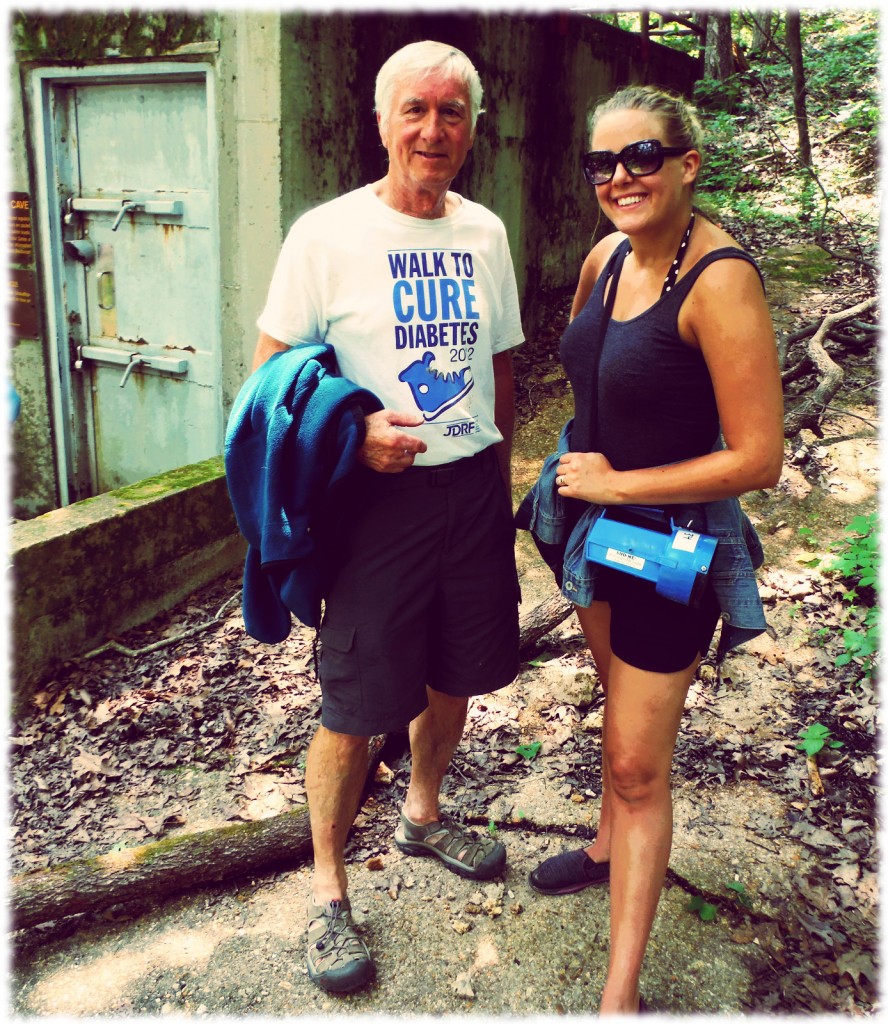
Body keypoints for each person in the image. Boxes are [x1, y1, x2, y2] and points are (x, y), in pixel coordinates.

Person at [249, 40, 524, 994]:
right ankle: (327, 892)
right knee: (355, 700)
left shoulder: (486, 232)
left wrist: (499, 462)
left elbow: (501, 363)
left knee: (457, 672)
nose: (433, 129)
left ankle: (422, 813)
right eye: (416, 109)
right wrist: (356, 434)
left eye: (453, 113)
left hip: (471, 490)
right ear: (382, 121)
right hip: (374, 508)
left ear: (473, 129)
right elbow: (270, 382)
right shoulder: (326, 235)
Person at [519, 85, 784, 1014]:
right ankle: (605, 843)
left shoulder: (722, 281)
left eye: (641, 157)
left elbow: (757, 458)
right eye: (603, 162)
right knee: (615, 699)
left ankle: (619, 997)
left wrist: (615, 484)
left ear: (687, 164)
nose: (620, 176)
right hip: (590, 534)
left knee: (639, 763)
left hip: (671, 546)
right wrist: (583, 484)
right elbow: (593, 382)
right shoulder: (606, 257)